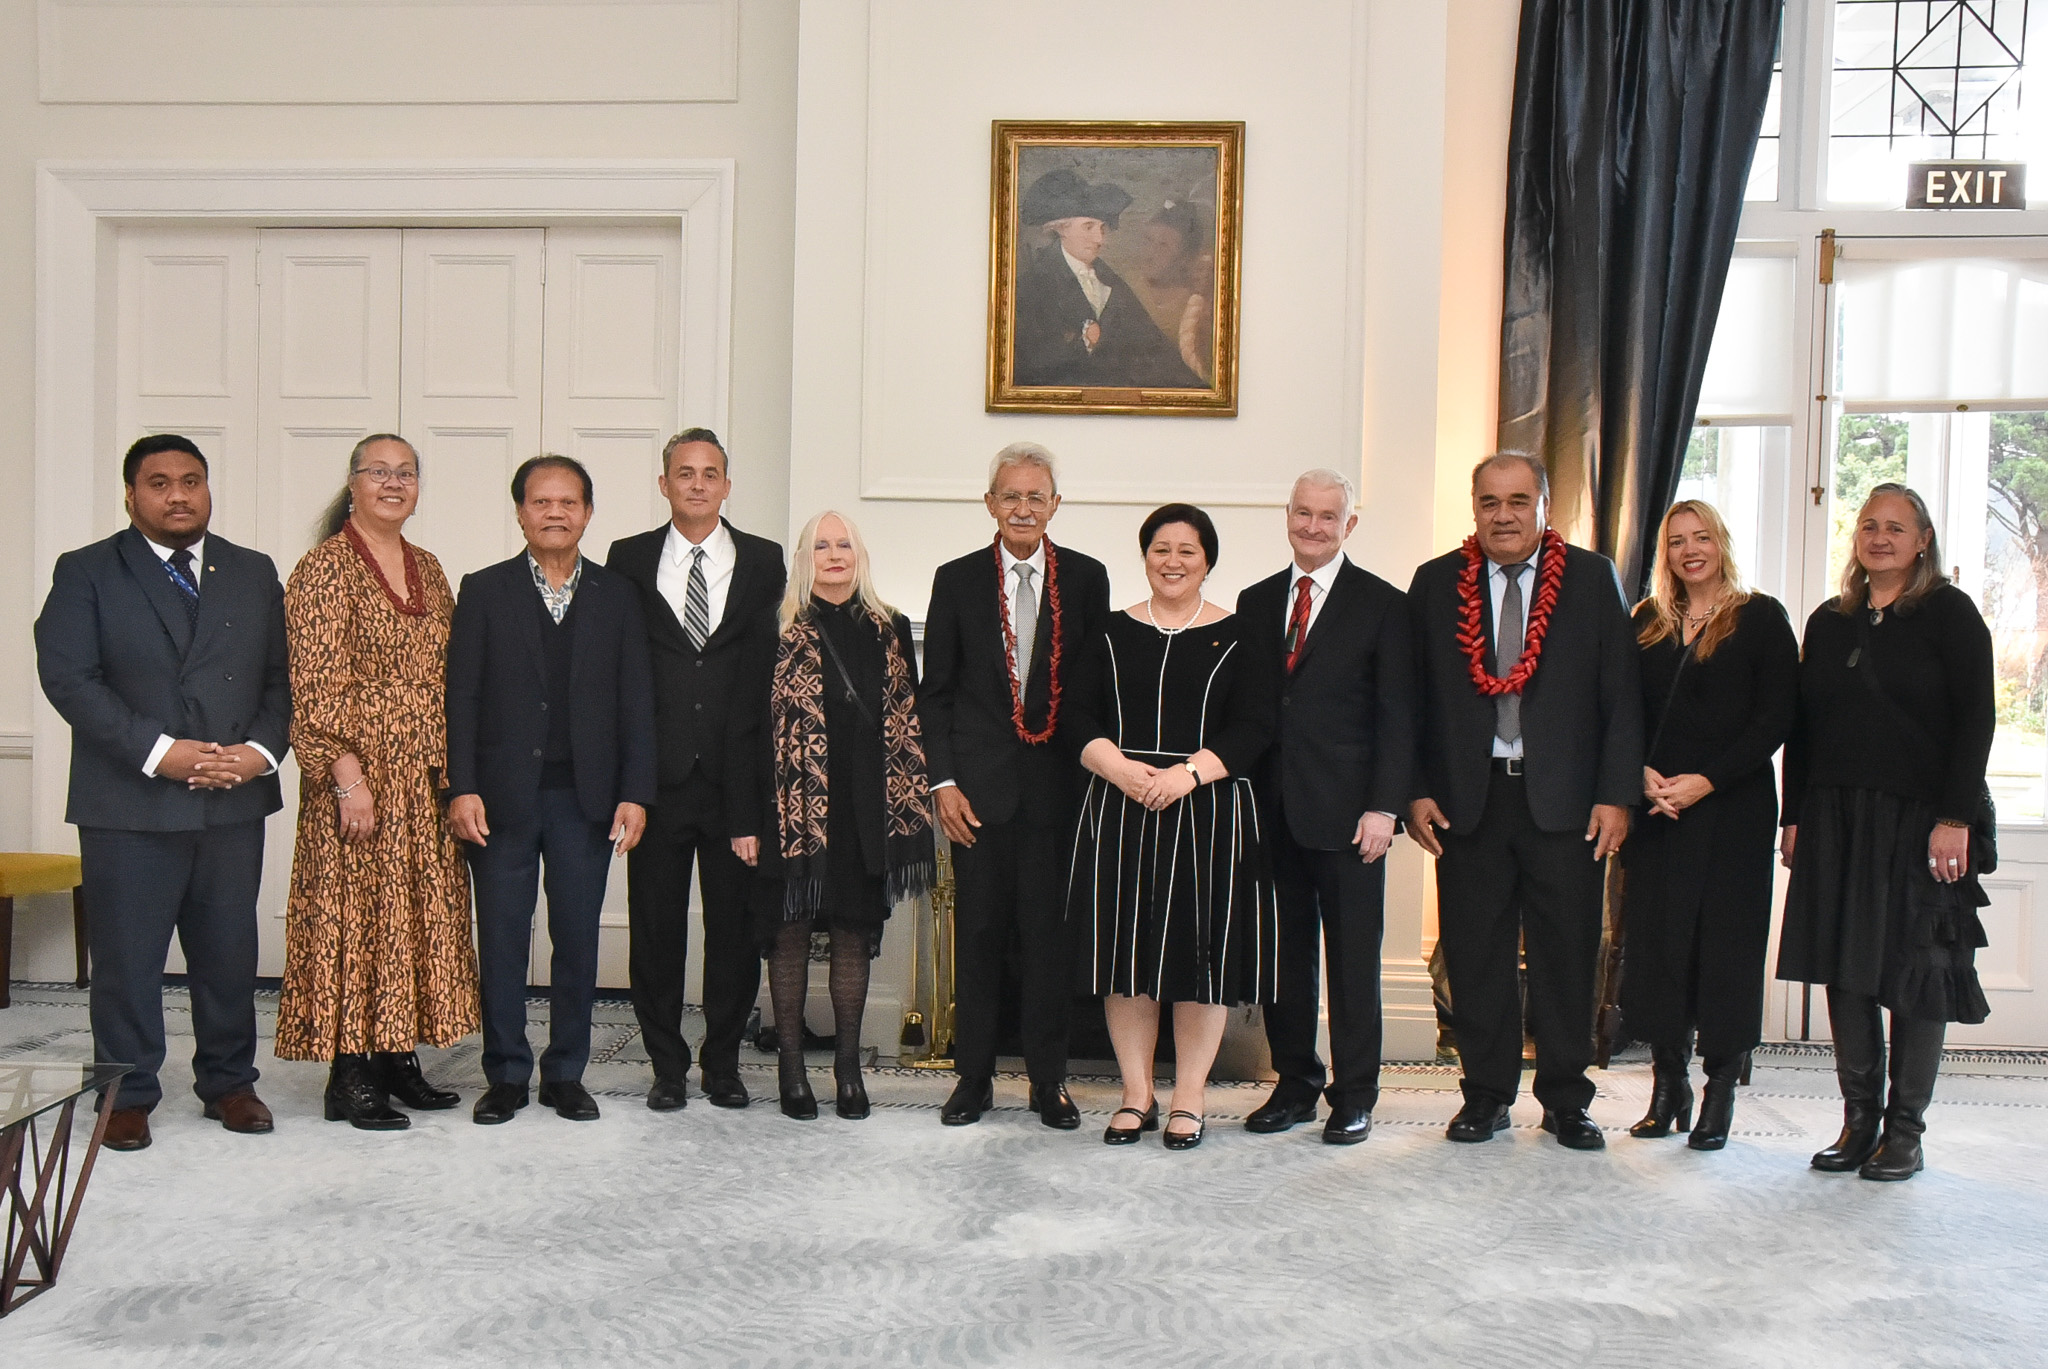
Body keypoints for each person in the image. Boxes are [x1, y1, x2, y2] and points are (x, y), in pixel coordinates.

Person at [34, 434, 290, 1151]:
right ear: (130, 494)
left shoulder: (250, 569)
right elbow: (70, 679)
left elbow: (281, 678)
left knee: (229, 952)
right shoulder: (87, 571)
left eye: (191, 480)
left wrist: (260, 753)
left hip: (232, 798)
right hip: (129, 801)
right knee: (127, 957)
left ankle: (230, 1082)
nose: (178, 494)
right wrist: (162, 753)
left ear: (208, 488)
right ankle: (125, 1090)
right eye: (158, 482)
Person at [1406, 452, 1643, 1150]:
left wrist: (1615, 795)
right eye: (1489, 501)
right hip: (1466, 801)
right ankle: (1484, 1094)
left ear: (1545, 506)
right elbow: (1411, 699)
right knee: (1475, 953)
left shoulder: (1593, 579)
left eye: (1518, 501)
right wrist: (1414, 788)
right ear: (1473, 507)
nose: (1503, 515)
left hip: (1567, 803)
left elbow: (1621, 696)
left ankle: (1568, 1099)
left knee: (1567, 952)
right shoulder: (1435, 583)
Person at [1778, 483, 1994, 1182]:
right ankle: (1858, 1120)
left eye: (1896, 527)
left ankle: (1905, 1131)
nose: (1880, 537)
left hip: (1922, 817)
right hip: (1836, 815)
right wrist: (1794, 815)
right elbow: (1802, 730)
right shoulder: (1828, 621)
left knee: (1916, 971)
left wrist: (1954, 817)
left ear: (1922, 538)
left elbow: (1976, 720)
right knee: (1846, 968)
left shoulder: (1950, 615)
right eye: (1869, 525)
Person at [445, 456, 657, 1125]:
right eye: (542, 501)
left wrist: (636, 791)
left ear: (588, 513)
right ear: (520, 512)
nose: (555, 512)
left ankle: (566, 1072)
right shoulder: (483, 590)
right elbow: (462, 697)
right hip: (502, 799)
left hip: (585, 800)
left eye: (569, 501)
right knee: (503, 937)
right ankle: (505, 1072)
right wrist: (463, 786)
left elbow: (636, 700)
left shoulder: (619, 595)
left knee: (577, 937)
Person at [276, 434, 478, 1130]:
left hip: (423, 778)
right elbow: (315, 682)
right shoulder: (325, 568)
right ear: (354, 483)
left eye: (406, 473)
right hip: (359, 776)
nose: (393, 483)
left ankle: (398, 1057)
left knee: (412, 919)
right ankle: (352, 1072)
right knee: (359, 921)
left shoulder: (429, 566)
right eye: (378, 472)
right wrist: (345, 775)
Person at [1069, 503, 1279, 1149]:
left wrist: (1187, 774)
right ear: (1145, 555)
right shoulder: (1106, 631)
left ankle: (1190, 1096)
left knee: (1203, 960)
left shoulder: (1244, 633)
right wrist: (1124, 771)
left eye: (1188, 550)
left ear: (1208, 560)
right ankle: (1137, 1094)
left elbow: (1256, 725)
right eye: (1162, 548)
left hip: (1209, 810)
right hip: (1120, 807)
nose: (1173, 561)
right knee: (1125, 955)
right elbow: (1075, 716)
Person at [919, 442, 1112, 1128]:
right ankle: (971, 1078)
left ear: (1055, 505)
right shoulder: (957, 579)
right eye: (1011, 495)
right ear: (990, 503)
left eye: (1036, 497)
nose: (1023, 507)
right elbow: (934, 693)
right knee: (977, 937)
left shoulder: (1087, 579)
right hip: (976, 796)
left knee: (1048, 944)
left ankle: (1047, 1082)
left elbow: (1092, 695)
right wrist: (941, 782)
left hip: (1058, 798)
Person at [607, 430, 786, 1112]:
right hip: (655, 779)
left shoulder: (766, 561)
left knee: (736, 931)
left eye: (711, 473)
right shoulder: (627, 559)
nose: (698, 484)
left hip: (736, 780)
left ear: (727, 486)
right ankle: (667, 1065)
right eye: (685, 473)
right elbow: (618, 667)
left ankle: (722, 1061)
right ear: (664, 484)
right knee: (655, 928)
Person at [1237, 469, 1413, 1145]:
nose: (1312, 526)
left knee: (1352, 961)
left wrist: (1385, 807)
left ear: (1350, 524)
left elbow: (1399, 717)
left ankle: (1355, 1094)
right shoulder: (1254, 603)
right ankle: (1295, 1082)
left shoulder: (1383, 605)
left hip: (1351, 817)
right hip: (1271, 812)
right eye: (1302, 513)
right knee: (1284, 958)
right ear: (1288, 515)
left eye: (1327, 516)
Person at [1622, 500, 1798, 1149]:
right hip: (1659, 810)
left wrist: (1707, 780)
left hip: (1732, 810)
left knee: (1726, 949)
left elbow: (1775, 718)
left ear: (1720, 542)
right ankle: (1668, 1083)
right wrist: (1639, 773)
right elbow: (1621, 708)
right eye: (1675, 542)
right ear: (1664, 553)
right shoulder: (1646, 622)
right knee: (1660, 948)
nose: (1689, 550)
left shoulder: (1760, 618)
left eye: (1700, 538)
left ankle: (1720, 1087)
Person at [749, 512, 933, 1122]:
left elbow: (909, 719)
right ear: (804, 558)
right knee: (791, 937)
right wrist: (745, 819)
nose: (834, 554)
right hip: (792, 812)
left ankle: (849, 1070)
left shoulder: (891, 628)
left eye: (844, 544)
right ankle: (792, 1071)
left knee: (854, 934)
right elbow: (748, 733)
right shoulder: (776, 630)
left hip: (865, 811)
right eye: (821, 545)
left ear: (860, 555)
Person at [1011, 168, 1204, 390]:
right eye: (1088, 227)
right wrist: (1084, 343)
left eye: (1102, 228)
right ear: (1061, 228)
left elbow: (1156, 351)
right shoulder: (1033, 285)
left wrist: (1199, 395)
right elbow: (1027, 368)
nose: (1099, 238)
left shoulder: (1110, 281)